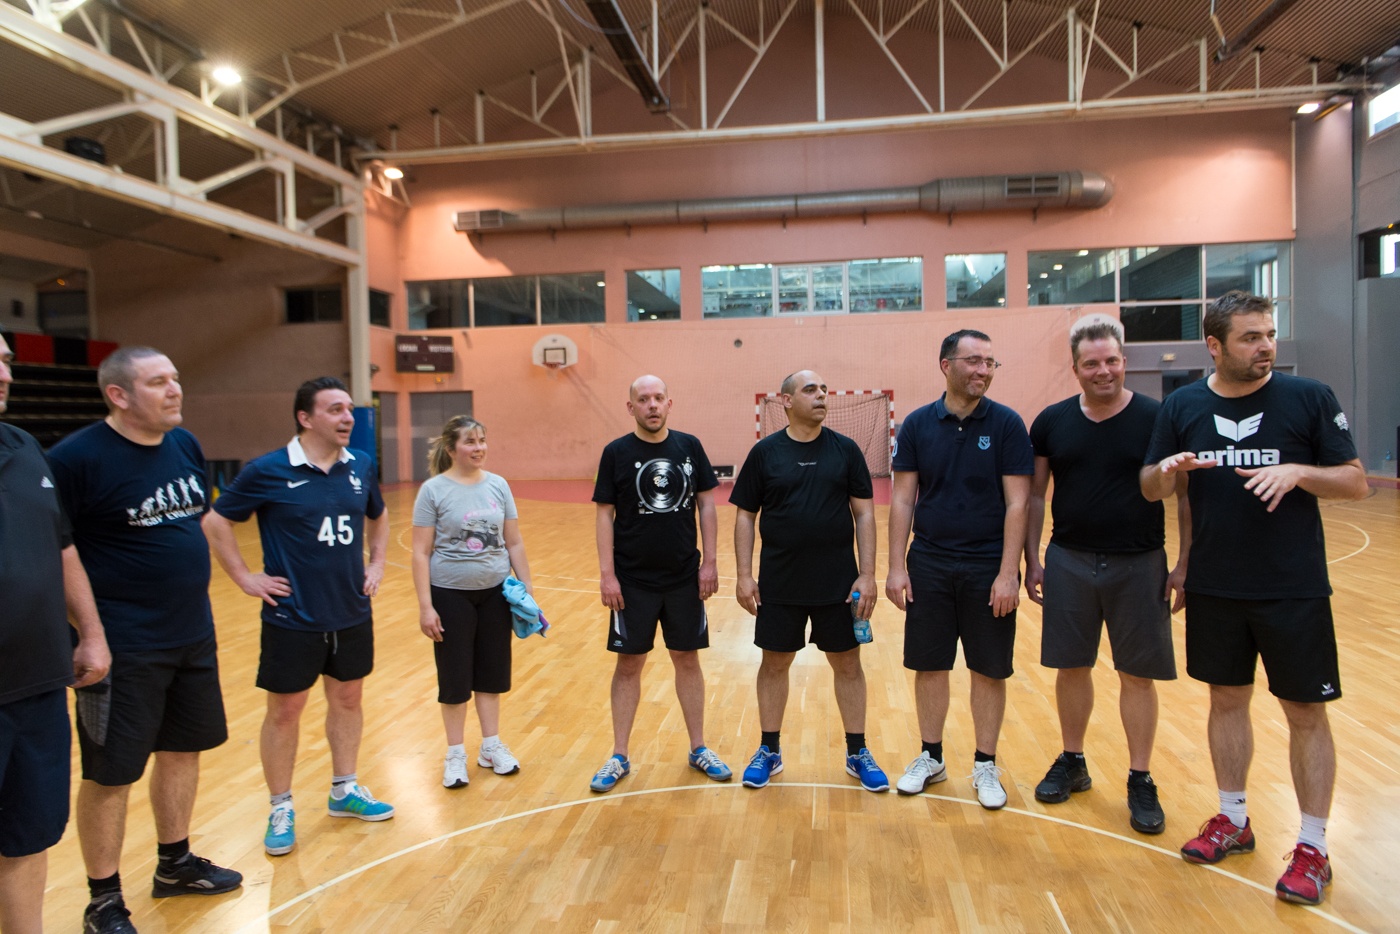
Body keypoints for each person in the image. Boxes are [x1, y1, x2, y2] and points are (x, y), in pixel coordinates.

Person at [1141, 291, 1367, 906]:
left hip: (1292, 587)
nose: (1266, 346)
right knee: (1226, 702)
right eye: (1250, 337)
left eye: (1268, 334)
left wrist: (1299, 472)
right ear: (1214, 345)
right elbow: (1152, 487)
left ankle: (1313, 846)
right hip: (1215, 586)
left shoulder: (1309, 397)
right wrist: (1166, 474)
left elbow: (1355, 481)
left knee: (1305, 712)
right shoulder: (1184, 405)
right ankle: (1233, 818)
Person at [47, 346, 241, 934]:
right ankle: (103, 901)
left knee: (183, 749)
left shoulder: (184, 445)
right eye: (158, 382)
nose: (175, 389)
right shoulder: (75, 459)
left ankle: (175, 864)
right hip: (121, 646)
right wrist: (90, 635)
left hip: (192, 634)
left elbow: (196, 520)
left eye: (175, 378)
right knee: (111, 772)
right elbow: (56, 552)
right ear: (119, 395)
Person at [204, 377, 392, 859]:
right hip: (291, 615)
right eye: (335, 410)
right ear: (305, 418)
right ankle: (281, 806)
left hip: (350, 610)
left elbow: (379, 514)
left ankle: (344, 790)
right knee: (286, 711)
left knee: (348, 699)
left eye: (349, 409)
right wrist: (245, 577)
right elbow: (216, 521)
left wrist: (376, 563)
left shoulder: (360, 465)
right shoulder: (267, 470)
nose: (347, 417)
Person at [1024, 315, 1188, 834]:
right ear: (1075, 368)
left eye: (1112, 361)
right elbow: (1034, 496)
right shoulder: (1051, 422)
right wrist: (1032, 557)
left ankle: (1140, 777)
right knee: (1071, 667)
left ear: (1124, 361)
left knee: (1136, 675)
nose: (1104, 371)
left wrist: (1185, 562)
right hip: (1069, 559)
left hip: (1140, 563)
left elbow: (1184, 495)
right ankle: (1073, 760)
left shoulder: (1157, 418)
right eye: (1092, 363)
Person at [885, 329, 1033, 809]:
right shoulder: (916, 425)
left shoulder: (1007, 424)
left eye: (990, 362)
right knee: (929, 664)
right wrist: (896, 567)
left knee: (989, 668)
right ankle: (931, 757)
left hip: (988, 565)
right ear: (946, 365)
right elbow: (902, 499)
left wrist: (1008, 572)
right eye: (973, 361)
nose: (983, 370)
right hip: (929, 562)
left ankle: (986, 764)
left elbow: (1018, 503)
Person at [730, 370, 888, 793]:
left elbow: (865, 514)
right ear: (786, 400)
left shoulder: (846, 450)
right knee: (774, 664)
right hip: (779, 583)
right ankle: (769, 750)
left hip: (839, 585)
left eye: (823, 390)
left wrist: (868, 573)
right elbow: (745, 515)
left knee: (848, 664)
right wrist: (744, 574)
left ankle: (857, 752)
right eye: (810, 390)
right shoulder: (765, 453)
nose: (821, 396)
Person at [0, 335, 111, 934]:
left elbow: (62, 546)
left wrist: (90, 632)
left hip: (38, 684)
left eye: (6, 361)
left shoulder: (23, 447)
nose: (4, 374)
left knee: (29, 836)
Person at [588, 375, 731, 793]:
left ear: (670, 403)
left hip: (685, 577)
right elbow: (604, 514)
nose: (651, 405)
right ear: (630, 407)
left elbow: (707, 504)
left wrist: (710, 562)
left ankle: (699, 747)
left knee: (687, 658)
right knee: (629, 664)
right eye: (643, 399)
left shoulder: (689, 446)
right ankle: (619, 755)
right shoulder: (616, 453)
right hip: (632, 581)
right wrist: (607, 574)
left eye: (658, 398)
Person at [411, 416, 533, 789]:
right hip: (449, 595)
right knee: (455, 678)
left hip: (495, 593)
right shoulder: (433, 491)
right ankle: (455, 754)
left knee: (491, 674)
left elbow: (514, 541)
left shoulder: (498, 485)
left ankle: (491, 746)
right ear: (451, 449)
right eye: (470, 442)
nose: (478, 448)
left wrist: (526, 589)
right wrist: (426, 606)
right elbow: (420, 552)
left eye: (482, 440)